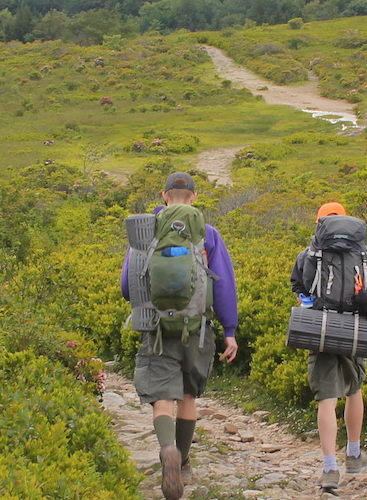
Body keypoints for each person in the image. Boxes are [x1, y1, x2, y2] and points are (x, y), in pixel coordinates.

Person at [121, 172, 239, 500]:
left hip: (157, 328)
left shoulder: (145, 232)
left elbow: (127, 287)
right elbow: (224, 285)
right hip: (197, 328)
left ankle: (167, 451)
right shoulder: (208, 233)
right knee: (188, 396)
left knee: (162, 396)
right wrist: (229, 332)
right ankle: (184, 463)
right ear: (194, 198)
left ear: (164, 195)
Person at [290, 202, 367, 493]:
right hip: (356, 333)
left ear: (319, 224)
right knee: (354, 390)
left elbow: (301, 294)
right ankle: (354, 454)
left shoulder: (308, 256)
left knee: (327, 400)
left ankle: (330, 468)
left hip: (320, 332)